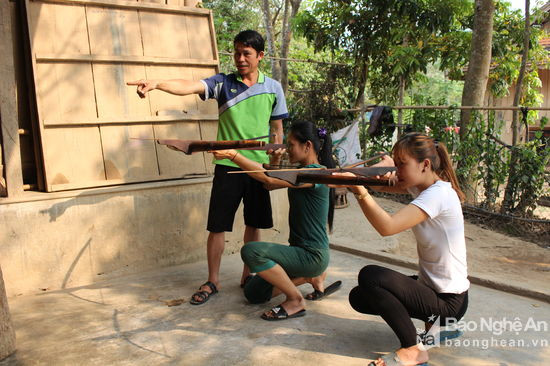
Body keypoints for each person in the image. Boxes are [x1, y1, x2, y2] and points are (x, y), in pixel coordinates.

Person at [127, 30, 287, 305]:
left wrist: (275, 162)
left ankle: (247, 275)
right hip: (227, 164)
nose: (239, 58)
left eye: (246, 53)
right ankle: (213, 280)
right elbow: (189, 86)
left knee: (254, 223)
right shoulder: (223, 83)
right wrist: (157, 83)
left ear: (260, 56)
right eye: (236, 52)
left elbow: (277, 130)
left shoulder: (273, 87)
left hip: (257, 166)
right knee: (217, 226)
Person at [334, 132, 469, 366]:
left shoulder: (437, 195)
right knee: (360, 296)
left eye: (402, 164)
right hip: (435, 291)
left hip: (449, 303)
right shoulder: (423, 186)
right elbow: (385, 185)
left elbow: (388, 227)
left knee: (371, 277)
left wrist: (358, 188)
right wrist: (377, 169)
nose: (398, 170)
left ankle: (413, 351)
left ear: (425, 164)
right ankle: (434, 331)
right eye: (396, 164)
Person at [211, 121, 341, 320]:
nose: (287, 149)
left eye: (291, 145)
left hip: (311, 255)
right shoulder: (301, 171)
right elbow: (270, 186)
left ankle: (295, 300)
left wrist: (233, 155)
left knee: (251, 250)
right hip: (299, 253)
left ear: (307, 146)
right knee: (254, 293)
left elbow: (269, 179)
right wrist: (274, 163)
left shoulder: (315, 173)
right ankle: (310, 276)